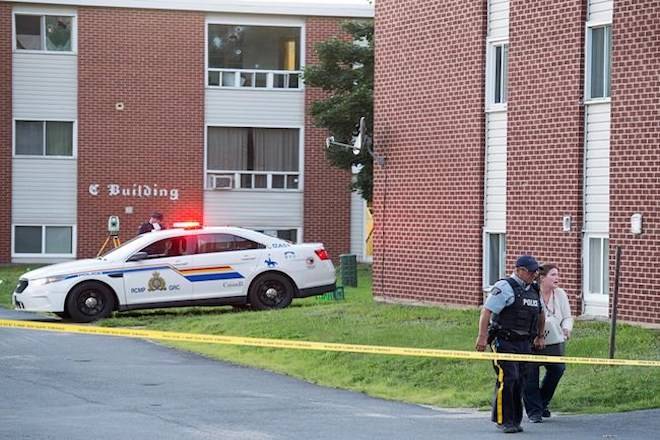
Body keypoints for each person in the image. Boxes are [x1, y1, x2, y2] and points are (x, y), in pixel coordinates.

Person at [475, 255, 545, 434]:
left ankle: (515, 419)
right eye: (531, 271)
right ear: (519, 270)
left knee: (521, 380)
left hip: (525, 343)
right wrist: (482, 337)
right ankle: (504, 420)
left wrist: (540, 337)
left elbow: (540, 314)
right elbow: (487, 311)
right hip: (504, 340)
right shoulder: (505, 287)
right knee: (508, 378)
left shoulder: (534, 290)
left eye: (536, 272)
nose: (534, 275)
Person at [523, 263, 573, 422]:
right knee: (530, 374)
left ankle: (542, 403)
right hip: (532, 340)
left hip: (555, 340)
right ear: (542, 278)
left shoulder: (560, 294)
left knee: (558, 369)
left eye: (557, 274)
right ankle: (534, 412)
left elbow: (567, 317)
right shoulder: (531, 294)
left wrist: (566, 328)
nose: (557, 278)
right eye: (553, 275)